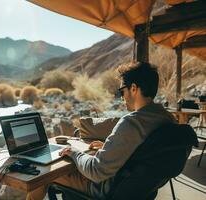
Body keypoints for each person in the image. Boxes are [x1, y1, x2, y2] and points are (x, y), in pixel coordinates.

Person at [26, 62, 176, 200]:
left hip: (105, 188)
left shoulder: (131, 122)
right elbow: (142, 151)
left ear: (134, 89)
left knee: (45, 174)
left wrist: (73, 152)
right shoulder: (167, 118)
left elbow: (96, 171)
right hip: (138, 189)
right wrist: (109, 148)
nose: (121, 97)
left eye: (121, 91)